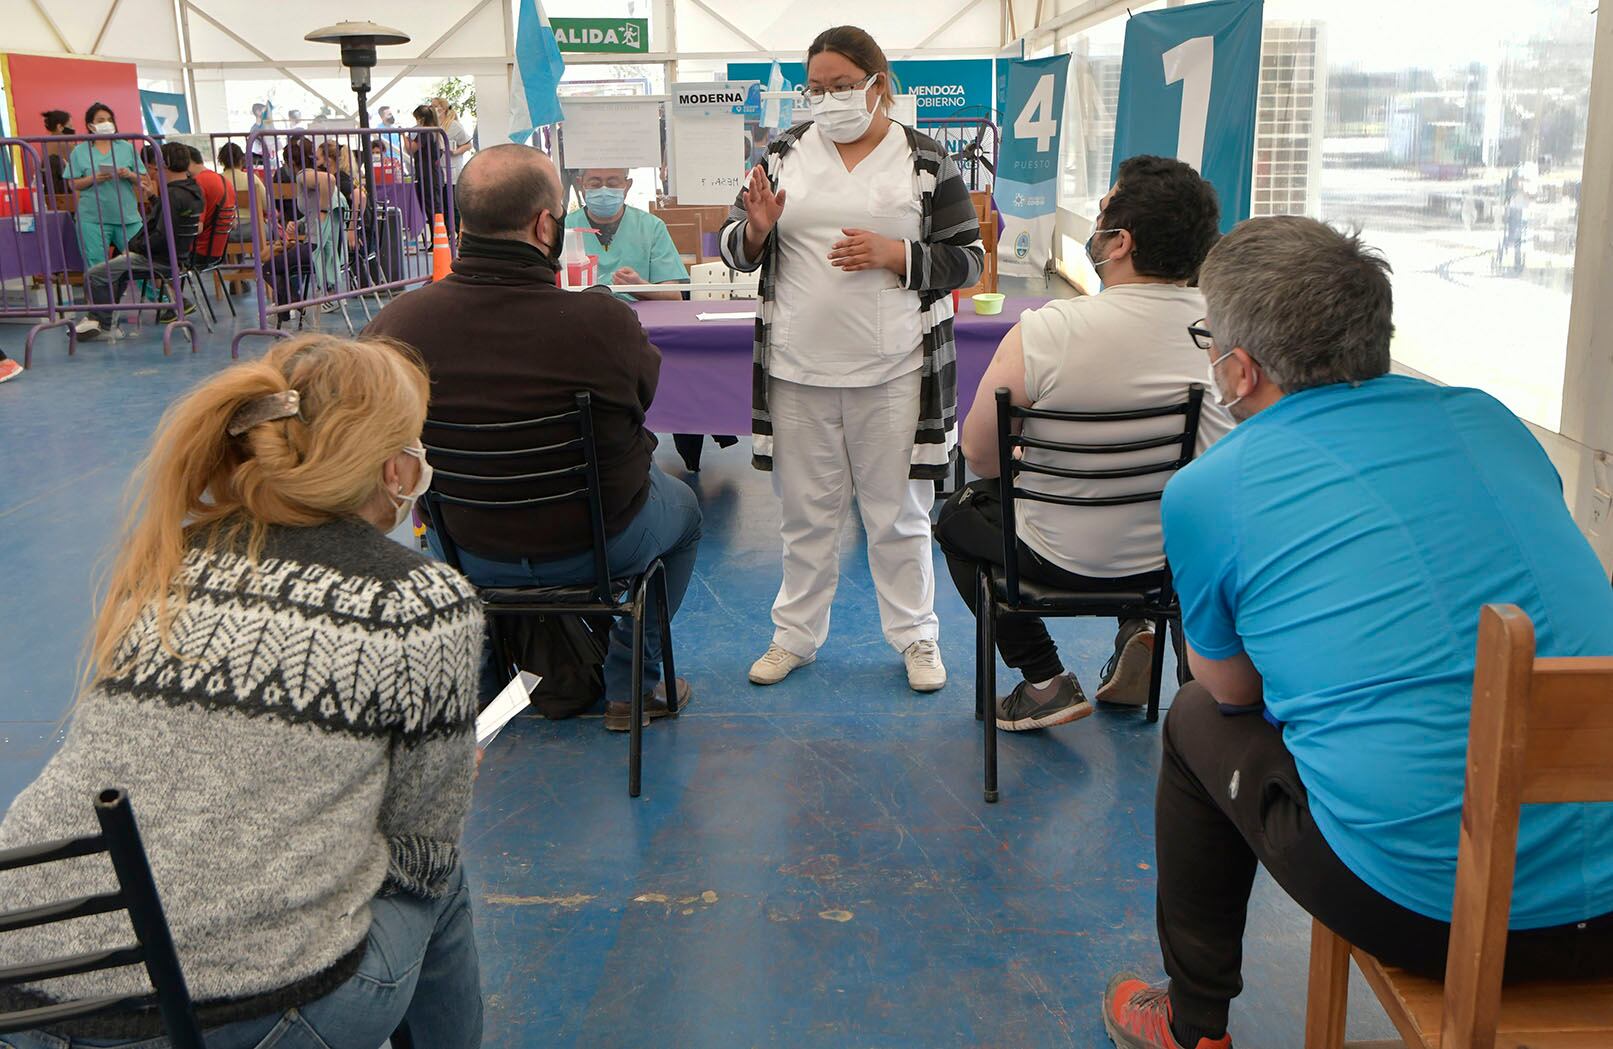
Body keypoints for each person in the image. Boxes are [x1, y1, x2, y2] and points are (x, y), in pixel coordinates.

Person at [1099, 216, 1613, 1049]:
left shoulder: (1211, 486)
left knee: (1195, 716)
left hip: (1433, 913)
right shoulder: (1487, 418)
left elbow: (1232, 689)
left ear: (1236, 368)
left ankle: (1191, 1024)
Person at [0, 335, 484, 1049]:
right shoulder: (421, 601)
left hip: (26, 998)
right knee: (440, 886)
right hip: (238, 1019)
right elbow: (420, 854)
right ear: (396, 468)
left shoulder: (166, 555)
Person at [364, 144, 703, 731]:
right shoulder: (601, 322)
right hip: (597, 545)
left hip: (464, 546)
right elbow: (641, 403)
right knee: (687, 513)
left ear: (463, 220)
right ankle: (632, 685)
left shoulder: (396, 326)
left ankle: (488, 677)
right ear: (548, 225)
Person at [719, 25, 984, 693]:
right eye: (816, 89)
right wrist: (754, 230)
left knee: (897, 512)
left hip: (895, 368)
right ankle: (794, 636)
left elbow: (970, 260)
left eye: (842, 86)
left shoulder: (923, 160)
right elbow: (730, 247)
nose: (829, 99)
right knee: (805, 514)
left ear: (877, 84)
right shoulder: (780, 155)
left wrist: (898, 256)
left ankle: (917, 636)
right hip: (796, 368)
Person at [937, 156, 1231, 731]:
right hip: (1176, 564)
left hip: (1055, 555)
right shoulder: (1232, 335)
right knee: (1181, 509)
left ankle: (1044, 680)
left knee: (957, 519)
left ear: (1119, 242)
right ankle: (1180, 672)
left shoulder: (1048, 329)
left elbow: (978, 454)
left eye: (1100, 216)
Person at [75, 142, 203, 340]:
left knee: (95, 274)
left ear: (164, 165)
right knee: (115, 270)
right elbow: (170, 221)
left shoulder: (171, 195)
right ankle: (101, 322)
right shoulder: (192, 191)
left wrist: (134, 248)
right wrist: (153, 198)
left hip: (157, 258)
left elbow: (160, 236)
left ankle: (104, 324)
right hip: (178, 257)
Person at [566, 167, 687, 302]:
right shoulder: (565, 228)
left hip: (639, 319)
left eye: (612, 184)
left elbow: (674, 296)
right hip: (582, 316)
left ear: (627, 185)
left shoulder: (651, 227)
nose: (604, 191)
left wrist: (639, 287)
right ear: (580, 184)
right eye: (595, 184)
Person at [65, 102, 146, 271]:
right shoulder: (79, 151)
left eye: (110, 119)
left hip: (128, 218)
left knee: (141, 262)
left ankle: (159, 297)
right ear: (90, 125)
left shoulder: (126, 147)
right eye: (101, 120)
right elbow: (73, 183)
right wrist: (93, 179)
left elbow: (143, 179)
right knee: (97, 267)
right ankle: (102, 298)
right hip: (92, 219)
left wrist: (129, 175)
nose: (107, 123)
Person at [186, 144, 236, 265]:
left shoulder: (197, 183)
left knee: (154, 255)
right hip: (218, 251)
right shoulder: (225, 181)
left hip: (198, 252)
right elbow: (233, 224)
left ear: (188, 162)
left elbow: (197, 227)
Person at [407, 105, 450, 234]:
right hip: (432, 174)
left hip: (428, 175)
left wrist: (404, 136)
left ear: (422, 119)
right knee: (434, 206)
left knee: (432, 207)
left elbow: (411, 148)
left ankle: (437, 236)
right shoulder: (435, 132)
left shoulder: (425, 133)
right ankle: (439, 235)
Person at [218, 141, 269, 245]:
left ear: (221, 161)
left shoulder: (216, 180)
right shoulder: (251, 178)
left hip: (225, 232)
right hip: (253, 230)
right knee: (270, 229)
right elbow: (267, 205)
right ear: (241, 160)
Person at [432, 97, 474, 180]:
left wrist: (455, 152)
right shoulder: (433, 125)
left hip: (451, 169)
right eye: (431, 106)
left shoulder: (454, 125)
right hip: (437, 171)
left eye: (434, 106)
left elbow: (468, 145)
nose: (432, 109)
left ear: (443, 109)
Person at [39, 109, 75, 201]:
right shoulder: (67, 145)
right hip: (66, 192)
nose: (73, 130)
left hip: (49, 193)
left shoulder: (45, 144)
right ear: (60, 127)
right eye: (70, 126)